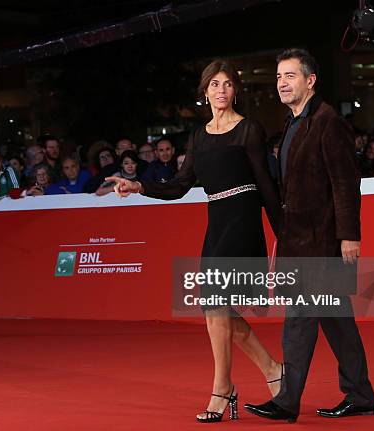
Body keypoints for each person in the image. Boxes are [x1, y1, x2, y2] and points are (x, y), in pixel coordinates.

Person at [106, 59, 283, 423]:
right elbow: (179, 184)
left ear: (236, 91)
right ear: (205, 92)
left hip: (243, 220)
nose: (221, 90)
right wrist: (139, 185)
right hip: (216, 223)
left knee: (216, 305)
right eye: (214, 84)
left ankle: (223, 390)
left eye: (228, 84)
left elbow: (266, 184)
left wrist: (283, 235)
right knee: (217, 308)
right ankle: (273, 370)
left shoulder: (249, 129)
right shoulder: (198, 136)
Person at [244, 48, 374, 422]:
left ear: (310, 80)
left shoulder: (327, 121)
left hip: (323, 243)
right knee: (337, 322)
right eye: (279, 77)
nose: (282, 83)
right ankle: (361, 394)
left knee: (299, 318)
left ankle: (286, 402)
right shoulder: (292, 123)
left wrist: (350, 236)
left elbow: (347, 184)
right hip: (300, 241)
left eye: (290, 76)